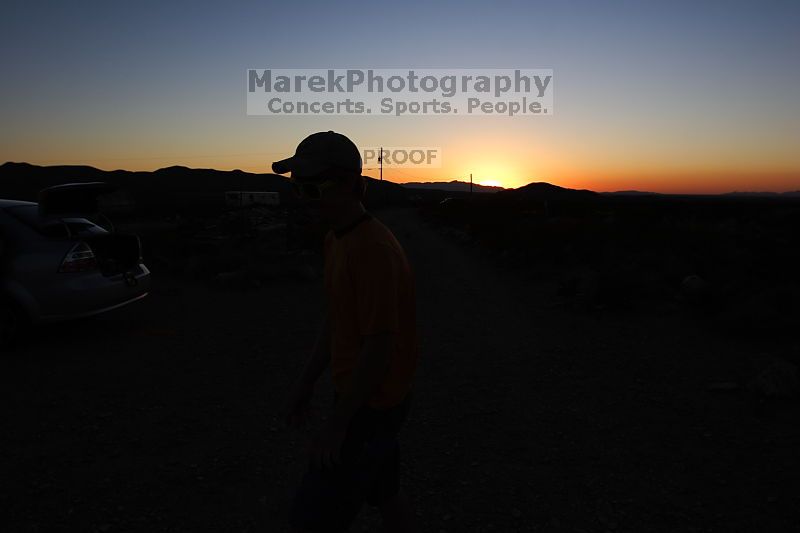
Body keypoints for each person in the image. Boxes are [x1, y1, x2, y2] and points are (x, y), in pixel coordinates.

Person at [274, 131, 419, 533]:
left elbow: (379, 346)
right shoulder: (336, 240)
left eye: (313, 188)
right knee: (385, 494)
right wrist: (306, 383)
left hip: (371, 407)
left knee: (312, 519)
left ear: (354, 186)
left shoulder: (372, 250)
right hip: (367, 399)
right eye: (297, 187)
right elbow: (337, 319)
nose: (302, 198)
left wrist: (338, 424)